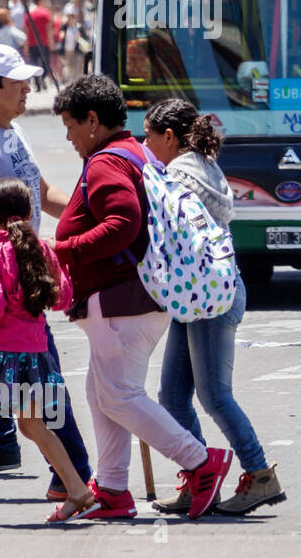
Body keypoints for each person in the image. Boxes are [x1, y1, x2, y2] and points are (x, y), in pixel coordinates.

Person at [52, 75, 233, 519]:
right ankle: (113, 489)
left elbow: (124, 221)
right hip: (130, 301)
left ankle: (200, 462)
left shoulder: (104, 163)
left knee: (119, 395)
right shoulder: (135, 152)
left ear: (93, 121)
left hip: (121, 303)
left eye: (72, 126)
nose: (69, 137)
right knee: (102, 393)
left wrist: (64, 249)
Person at [0, 44, 92, 499]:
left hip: (17, 295)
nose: (26, 88)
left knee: (39, 389)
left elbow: (43, 192)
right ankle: (73, 477)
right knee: (37, 390)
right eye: (15, 82)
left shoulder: (13, 132)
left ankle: (69, 476)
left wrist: (92, 218)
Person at [143, 98, 285, 515]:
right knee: (172, 396)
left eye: (149, 136)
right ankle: (198, 475)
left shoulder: (177, 176)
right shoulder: (203, 165)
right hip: (202, 293)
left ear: (168, 137)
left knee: (215, 396)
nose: (144, 144)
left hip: (208, 296)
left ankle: (260, 475)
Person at [0, 179, 94, 523]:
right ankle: (79, 491)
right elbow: (63, 297)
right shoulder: (40, 249)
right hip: (36, 354)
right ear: (30, 211)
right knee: (34, 426)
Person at [24, 0, 56, 91]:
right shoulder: (45, 13)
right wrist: (51, 42)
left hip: (32, 43)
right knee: (46, 63)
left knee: (34, 63)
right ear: (40, 1)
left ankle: (37, 84)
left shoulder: (29, 14)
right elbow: (48, 29)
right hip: (44, 43)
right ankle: (43, 77)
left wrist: (26, 46)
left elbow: (26, 30)